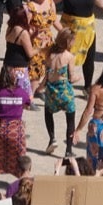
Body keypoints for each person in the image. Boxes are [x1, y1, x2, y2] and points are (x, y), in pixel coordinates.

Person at [35, 28, 81, 158]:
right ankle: (68, 149)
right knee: (70, 120)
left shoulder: (49, 54)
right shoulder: (69, 57)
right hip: (65, 91)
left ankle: (52, 138)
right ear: (67, 42)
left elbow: (47, 75)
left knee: (48, 113)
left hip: (51, 91)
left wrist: (40, 87)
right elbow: (71, 78)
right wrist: (79, 77)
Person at [0, 66, 32, 177]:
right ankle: (23, 186)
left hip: (2, 130)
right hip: (17, 132)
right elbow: (28, 105)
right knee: (22, 163)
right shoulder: (21, 92)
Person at [26, 0, 60, 90]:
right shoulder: (30, 7)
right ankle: (30, 97)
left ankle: (40, 89)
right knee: (35, 70)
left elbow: (55, 21)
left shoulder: (50, 3)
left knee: (50, 68)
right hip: (35, 42)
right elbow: (25, 27)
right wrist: (35, 34)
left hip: (49, 42)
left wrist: (65, 33)